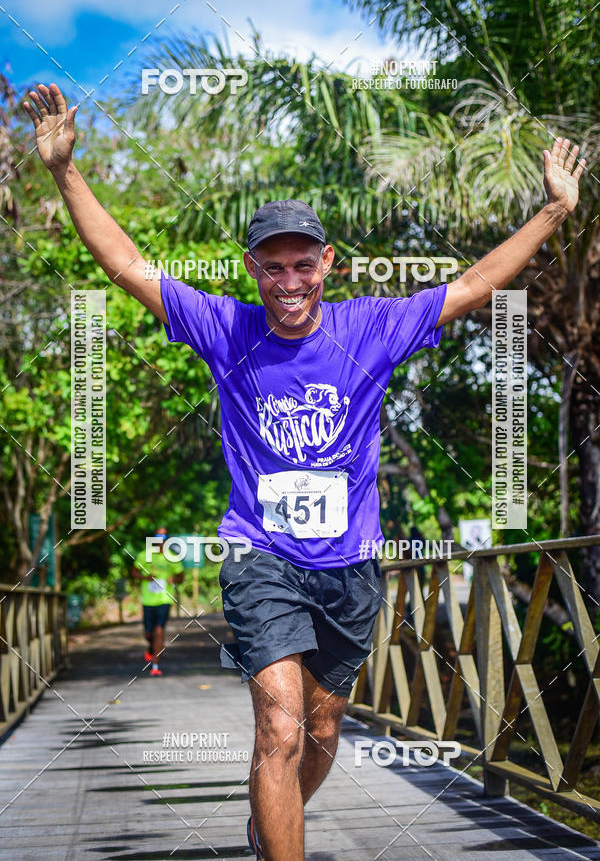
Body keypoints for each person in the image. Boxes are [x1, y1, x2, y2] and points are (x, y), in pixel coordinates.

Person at [24, 83, 586, 860]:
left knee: (321, 727)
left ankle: (268, 823)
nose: (288, 282)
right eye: (272, 267)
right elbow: (127, 266)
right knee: (281, 724)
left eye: (301, 265)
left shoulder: (372, 325)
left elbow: (473, 285)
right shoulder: (228, 328)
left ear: (328, 262)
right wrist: (64, 172)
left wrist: (554, 210)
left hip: (350, 568)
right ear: (252, 268)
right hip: (261, 557)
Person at [131, 526, 184, 676]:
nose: (161, 540)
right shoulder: (144, 555)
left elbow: (181, 577)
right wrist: (145, 577)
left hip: (164, 599)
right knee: (148, 634)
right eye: (158, 537)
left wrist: (174, 579)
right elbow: (134, 572)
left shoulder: (172, 557)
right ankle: (151, 647)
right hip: (148, 601)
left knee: (159, 630)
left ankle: (155, 665)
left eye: (164, 537)